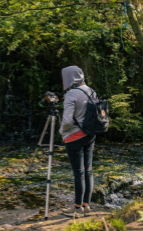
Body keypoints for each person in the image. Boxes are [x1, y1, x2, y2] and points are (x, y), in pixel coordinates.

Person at [59, 65, 96, 218]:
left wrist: (62, 131)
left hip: (75, 137)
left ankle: (77, 208)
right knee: (88, 170)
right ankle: (86, 206)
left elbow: (67, 121)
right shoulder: (91, 91)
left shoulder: (71, 94)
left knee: (78, 172)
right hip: (90, 134)